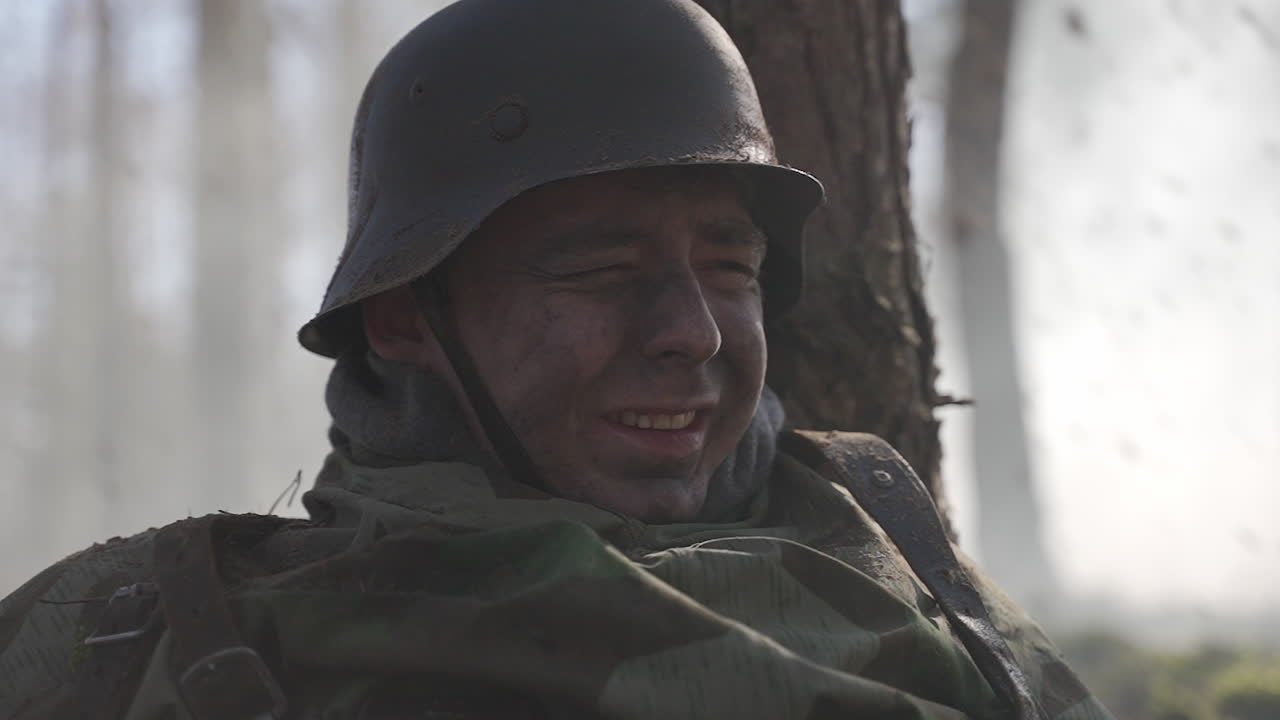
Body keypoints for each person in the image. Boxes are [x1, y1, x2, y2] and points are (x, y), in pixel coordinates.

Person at [0, 1, 1113, 718]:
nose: (692, 333)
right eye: (595, 271)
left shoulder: (891, 546)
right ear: (402, 319)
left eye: (728, 267)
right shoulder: (157, 631)